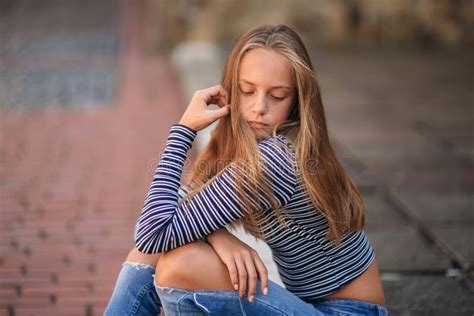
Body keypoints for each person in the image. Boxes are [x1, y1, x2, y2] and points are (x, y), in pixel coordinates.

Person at [104, 24, 387, 315]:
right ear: (230, 90)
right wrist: (219, 237)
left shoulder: (277, 158)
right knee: (158, 252)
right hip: (307, 306)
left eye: (277, 96)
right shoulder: (244, 143)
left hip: (345, 312)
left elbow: (152, 233)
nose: (258, 108)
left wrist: (183, 131)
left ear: (297, 101)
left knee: (180, 265)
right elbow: (157, 224)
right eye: (247, 91)